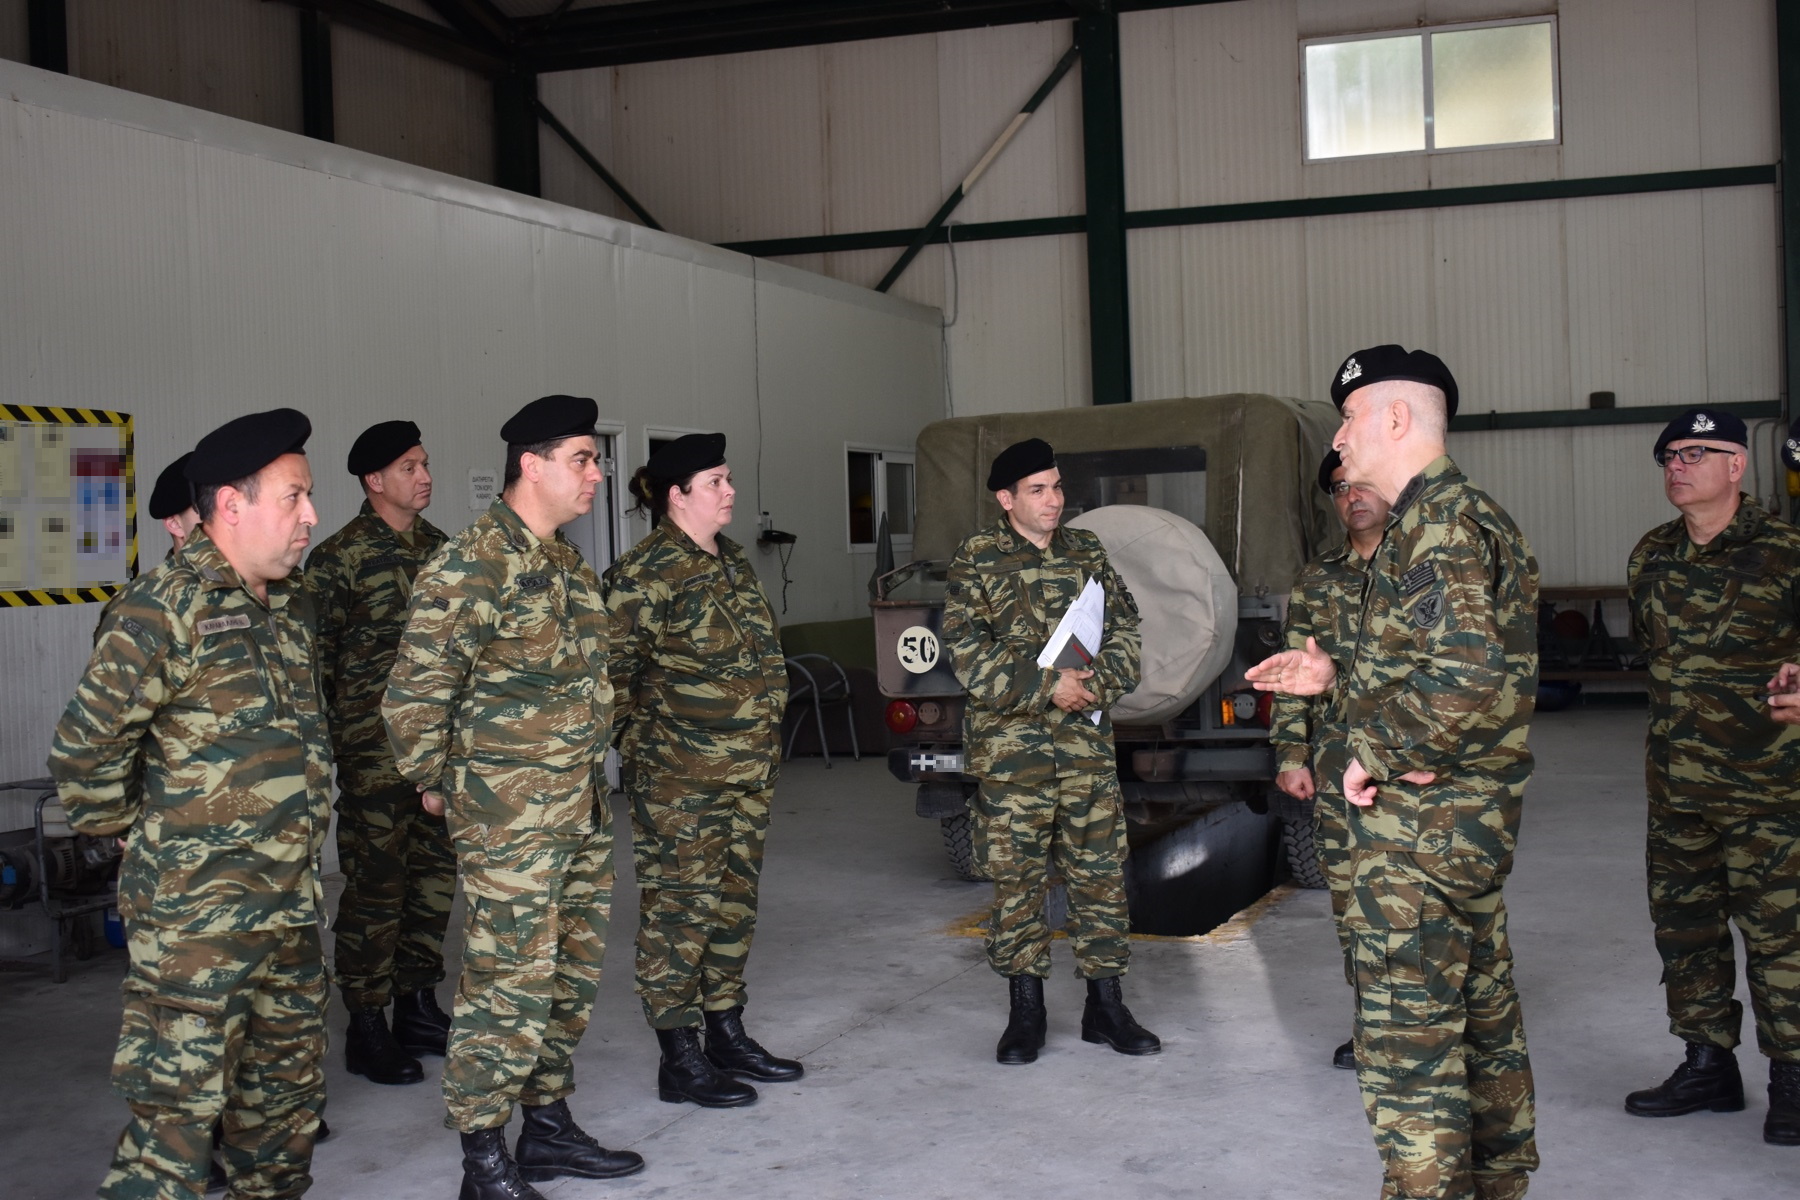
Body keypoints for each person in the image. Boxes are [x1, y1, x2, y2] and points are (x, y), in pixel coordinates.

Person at [1246, 345, 1540, 1200]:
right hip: (1462, 830)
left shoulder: (1435, 528)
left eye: (1349, 418)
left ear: (1397, 419)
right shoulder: (1461, 519)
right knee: (1481, 1019)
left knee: (1407, 1049)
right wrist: (1332, 679)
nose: (1339, 439)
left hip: (1418, 839)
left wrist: (1371, 754)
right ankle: (1495, 1185)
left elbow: (1464, 677)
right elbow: (1449, 669)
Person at [48, 409, 333, 1199]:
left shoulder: (291, 607)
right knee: (173, 1134)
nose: (311, 515)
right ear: (231, 506)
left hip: (288, 910)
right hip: (195, 929)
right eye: (295, 497)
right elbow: (85, 749)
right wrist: (141, 843)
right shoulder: (163, 609)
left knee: (284, 1120)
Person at [382, 395, 643, 1200]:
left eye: (596, 459)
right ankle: (483, 1158)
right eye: (582, 459)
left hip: (578, 811)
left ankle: (548, 1127)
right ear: (531, 466)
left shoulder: (566, 564)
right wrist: (438, 785)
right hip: (510, 823)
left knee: (567, 976)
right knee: (506, 984)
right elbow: (415, 695)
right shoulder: (471, 563)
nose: (597, 474)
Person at [940, 437, 1158, 1066]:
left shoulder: (1085, 550)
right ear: (1006, 499)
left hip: (1085, 748)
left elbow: (1125, 627)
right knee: (1018, 883)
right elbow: (968, 653)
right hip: (1014, 757)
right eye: (1038, 490)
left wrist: (1097, 684)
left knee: (1100, 878)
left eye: (1057, 487)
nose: (1054, 500)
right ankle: (1025, 1011)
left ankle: (1105, 1007)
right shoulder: (977, 558)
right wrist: (1047, 687)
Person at [602, 432, 798, 1108]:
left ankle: (725, 1029)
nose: (729, 491)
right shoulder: (645, 574)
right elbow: (611, 683)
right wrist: (657, 753)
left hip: (748, 772)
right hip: (681, 783)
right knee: (679, 912)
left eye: (728, 477)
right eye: (715, 481)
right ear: (676, 495)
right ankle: (679, 1054)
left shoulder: (731, 560)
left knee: (732, 907)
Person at [1621, 406, 1800, 1146]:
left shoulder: (1786, 552)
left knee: (1783, 938)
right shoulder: (1651, 556)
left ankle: (1793, 1080)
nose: (1678, 464)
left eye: (1698, 452)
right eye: (1670, 454)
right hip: (1676, 789)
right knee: (1685, 932)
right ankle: (1707, 1066)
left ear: (1737, 465)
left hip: (1771, 791)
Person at [304, 420, 453, 1087]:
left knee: (433, 881)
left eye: (425, 464)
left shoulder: (444, 552)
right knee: (375, 888)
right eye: (409, 468)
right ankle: (367, 1022)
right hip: (372, 755)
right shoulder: (338, 558)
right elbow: (316, 664)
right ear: (374, 480)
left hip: (437, 753)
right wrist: (332, 748)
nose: (424, 477)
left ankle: (417, 1005)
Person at [1270, 448, 1391, 1071]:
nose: (1353, 498)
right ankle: (1372, 1025)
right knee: (1352, 906)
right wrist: (1292, 754)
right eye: (1341, 489)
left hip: (1411, 765)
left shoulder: (1424, 567)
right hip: (1338, 767)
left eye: (1362, 484)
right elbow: (1293, 675)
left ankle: (1428, 1026)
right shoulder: (1318, 580)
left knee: (1421, 903)